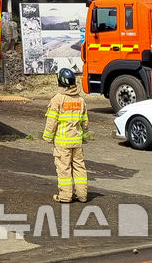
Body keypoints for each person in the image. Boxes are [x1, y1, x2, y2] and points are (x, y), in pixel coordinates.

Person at [42, 67, 89, 203]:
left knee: (64, 169)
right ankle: (82, 195)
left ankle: (66, 196)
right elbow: (85, 122)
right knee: (79, 168)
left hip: (62, 143)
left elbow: (52, 121)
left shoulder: (57, 99)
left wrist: (47, 136)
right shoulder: (80, 100)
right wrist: (85, 137)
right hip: (77, 142)